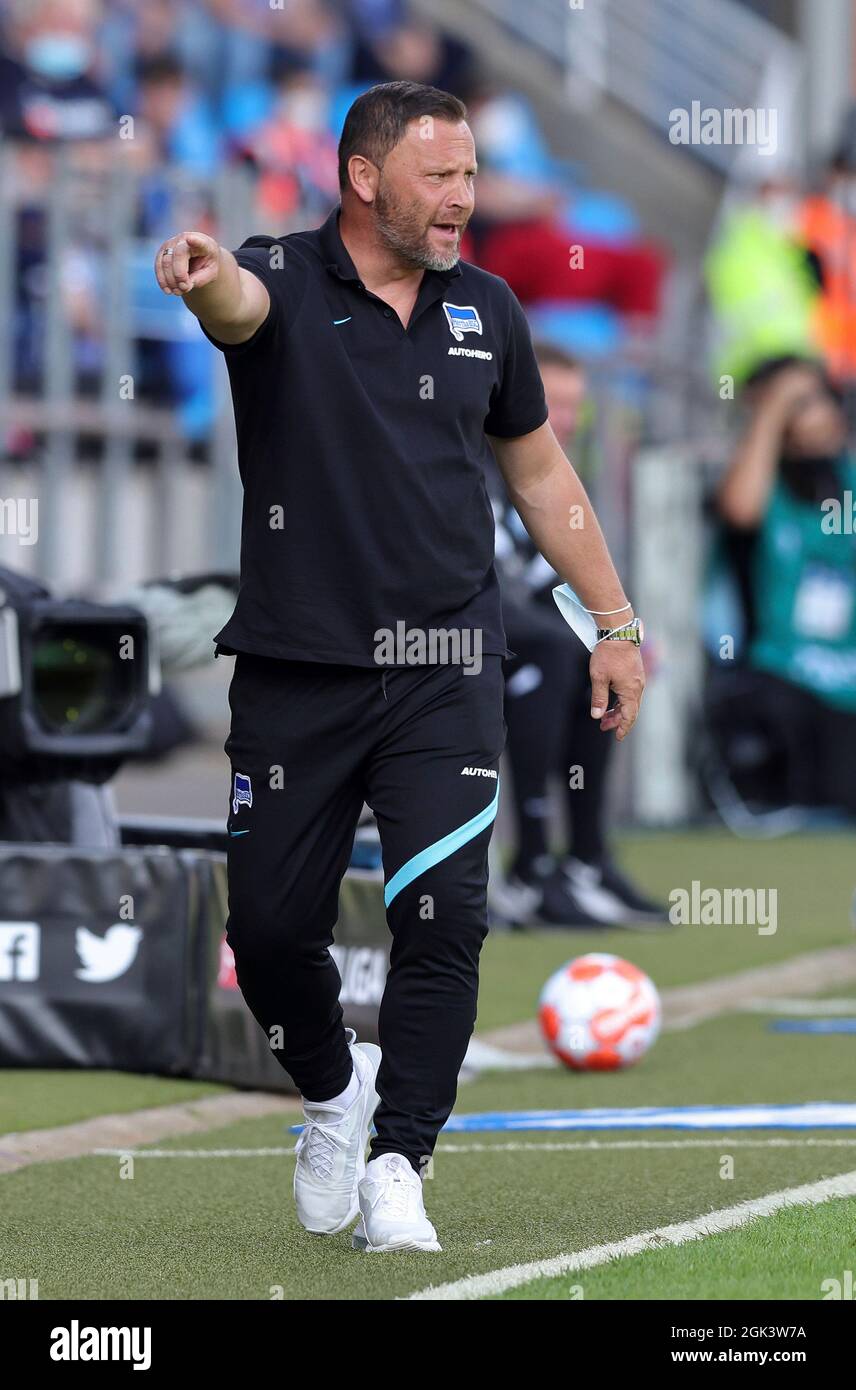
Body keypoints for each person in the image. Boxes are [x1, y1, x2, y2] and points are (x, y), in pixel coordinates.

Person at [153, 80, 645, 1253]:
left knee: (445, 920)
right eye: (441, 176)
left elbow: (538, 477)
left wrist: (614, 622)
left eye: (472, 175)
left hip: (442, 666)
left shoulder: (489, 308)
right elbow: (235, 304)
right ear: (366, 179)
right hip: (294, 668)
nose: (464, 199)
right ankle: (333, 1094)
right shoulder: (281, 271)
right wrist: (202, 269)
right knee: (270, 933)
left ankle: (399, 1161)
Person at [492, 343, 667, 927]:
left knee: (601, 651)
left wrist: (624, 635)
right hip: (435, 630)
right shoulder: (478, 462)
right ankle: (532, 865)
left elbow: (552, 586)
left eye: (574, 408)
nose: (562, 421)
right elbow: (494, 582)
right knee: (550, 648)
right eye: (552, 403)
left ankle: (587, 857)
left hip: (508, 630)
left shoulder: (554, 479)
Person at [715, 357, 856, 815]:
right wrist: (772, 412)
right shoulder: (763, 483)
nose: (811, 413)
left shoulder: (845, 480)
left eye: (817, 399)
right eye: (795, 403)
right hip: (781, 674)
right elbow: (740, 509)